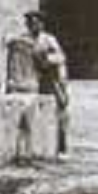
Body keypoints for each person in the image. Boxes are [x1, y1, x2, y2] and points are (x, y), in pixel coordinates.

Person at [25, 11, 69, 155]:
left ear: (42, 24)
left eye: (35, 23)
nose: (32, 25)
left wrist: (47, 59)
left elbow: (60, 57)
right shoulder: (25, 40)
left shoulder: (48, 39)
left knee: (59, 112)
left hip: (50, 80)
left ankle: (61, 146)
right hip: (33, 80)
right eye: (30, 23)